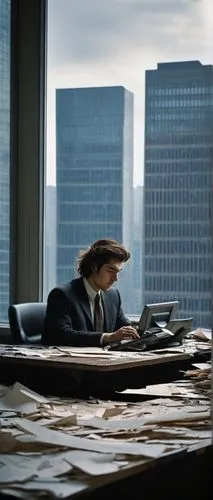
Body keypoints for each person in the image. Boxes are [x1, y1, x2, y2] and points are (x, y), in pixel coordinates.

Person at [42, 239, 139, 347]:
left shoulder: (113, 295)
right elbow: (60, 335)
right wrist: (107, 337)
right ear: (93, 266)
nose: (115, 278)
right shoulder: (62, 295)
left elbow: (124, 328)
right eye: (110, 271)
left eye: (118, 272)